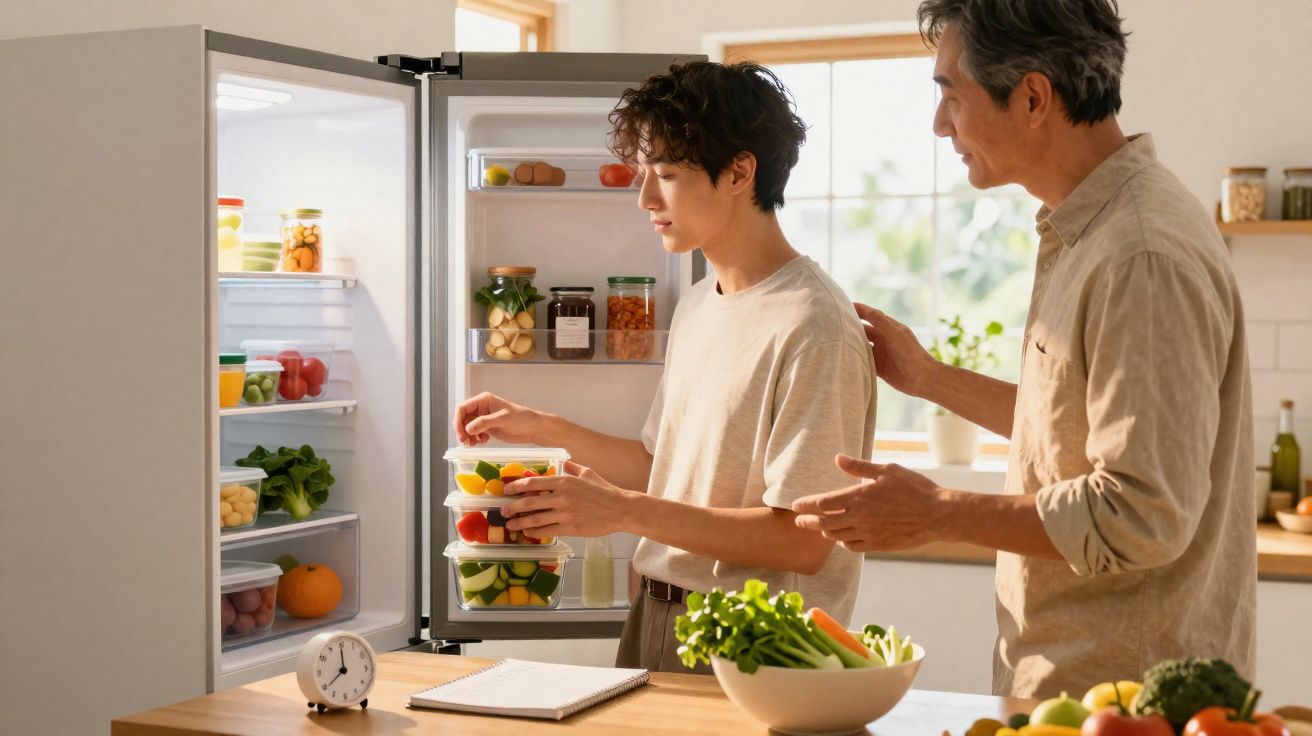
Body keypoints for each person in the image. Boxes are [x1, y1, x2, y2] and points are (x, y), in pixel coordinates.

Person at [792, 0, 1255, 699]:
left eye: (951, 94)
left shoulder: (1140, 253)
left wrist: (936, 511)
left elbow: (1140, 513)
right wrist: (927, 378)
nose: (939, 124)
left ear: (1033, 96)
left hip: (1128, 700)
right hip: (1071, 686)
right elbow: (1078, 431)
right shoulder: (1090, 232)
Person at [452, 61, 878, 674]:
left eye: (668, 175)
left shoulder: (814, 324)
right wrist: (547, 428)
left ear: (740, 171)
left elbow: (803, 541)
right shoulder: (701, 303)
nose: (645, 198)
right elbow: (662, 469)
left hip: (756, 646)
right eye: (644, 173)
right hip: (656, 619)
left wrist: (621, 512)